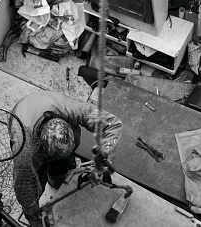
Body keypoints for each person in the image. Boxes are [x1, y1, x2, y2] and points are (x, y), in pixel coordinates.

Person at [9, 91, 123, 227]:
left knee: (64, 166)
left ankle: (56, 177)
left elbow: (113, 124)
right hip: (22, 117)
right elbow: (23, 186)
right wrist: (31, 210)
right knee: (33, 187)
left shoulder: (71, 110)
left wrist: (100, 164)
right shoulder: (25, 150)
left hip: (43, 102)